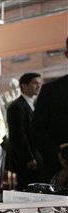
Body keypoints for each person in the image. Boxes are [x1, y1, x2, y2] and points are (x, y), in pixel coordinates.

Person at [30, 37, 68, 182]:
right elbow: (37, 130)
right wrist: (59, 153)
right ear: (66, 54)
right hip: (60, 173)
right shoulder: (50, 91)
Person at [6, 72, 43, 191]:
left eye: (39, 83)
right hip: (26, 159)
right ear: (24, 86)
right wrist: (28, 157)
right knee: (27, 189)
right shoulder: (17, 106)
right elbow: (18, 134)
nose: (38, 86)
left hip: (36, 155)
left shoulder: (34, 104)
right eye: (35, 83)